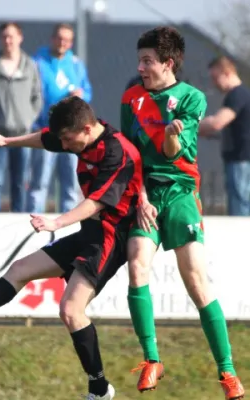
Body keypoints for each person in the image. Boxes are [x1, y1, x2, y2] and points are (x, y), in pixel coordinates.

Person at [0, 96, 143, 400]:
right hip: (91, 232)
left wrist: (57, 223)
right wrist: (7, 142)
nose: (64, 144)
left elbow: (97, 201)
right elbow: (46, 139)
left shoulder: (117, 152)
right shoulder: (79, 138)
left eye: (68, 139)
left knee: (71, 310)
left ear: (86, 129)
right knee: (20, 270)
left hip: (112, 237)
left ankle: (100, 389)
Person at [120, 27, 245, 399]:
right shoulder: (131, 98)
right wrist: (140, 197)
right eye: (139, 60)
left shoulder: (190, 98)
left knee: (195, 281)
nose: (141, 67)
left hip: (180, 194)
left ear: (168, 63)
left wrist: (172, 134)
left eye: (147, 61)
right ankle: (152, 359)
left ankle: (227, 371)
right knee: (137, 264)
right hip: (147, 195)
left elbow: (176, 153)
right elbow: (130, 155)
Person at [0, 22, 42, 212]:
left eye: (11, 36)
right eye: (4, 37)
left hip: (22, 135)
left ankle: (18, 219)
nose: (8, 40)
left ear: (20, 38)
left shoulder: (29, 65)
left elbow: (37, 97)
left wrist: (27, 120)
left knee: (20, 181)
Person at [27, 23, 92, 213]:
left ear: (71, 43)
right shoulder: (37, 62)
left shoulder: (76, 65)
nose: (62, 43)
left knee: (71, 183)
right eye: (60, 38)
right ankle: (33, 224)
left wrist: (80, 95)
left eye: (67, 40)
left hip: (72, 132)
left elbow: (87, 92)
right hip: (45, 129)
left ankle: (67, 226)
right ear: (52, 39)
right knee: (39, 182)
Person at [199, 55, 250, 216]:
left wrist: (187, 126)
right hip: (239, 160)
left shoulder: (237, 94)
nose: (214, 83)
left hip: (241, 161)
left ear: (226, 72)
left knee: (240, 208)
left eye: (215, 78)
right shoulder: (239, 95)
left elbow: (217, 123)